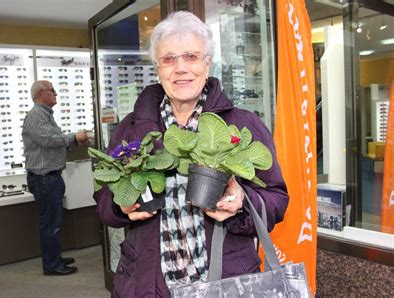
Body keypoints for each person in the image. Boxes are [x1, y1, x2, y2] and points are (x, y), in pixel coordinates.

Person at [94, 11, 289, 297]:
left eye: (191, 56)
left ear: (207, 64)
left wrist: (241, 205)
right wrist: (121, 207)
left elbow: (277, 199)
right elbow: (103, 201)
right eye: (169, 59)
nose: (180, 68)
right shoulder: (132, 128)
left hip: (225, 282)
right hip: (147, 283)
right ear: (157, 68)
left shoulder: (242, 123)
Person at [22, 80, 91, 276]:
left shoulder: (46, 116)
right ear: (40, 94)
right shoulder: (36, 115)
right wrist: (73, 138)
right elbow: (48, 140)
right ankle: (52, 265)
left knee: (53, 223)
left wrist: (75, 141)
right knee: (50, 225)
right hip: (44, 179)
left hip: (51, 178)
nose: (56, 93)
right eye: (52, 90)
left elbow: (54, 144)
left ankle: (54, 258)